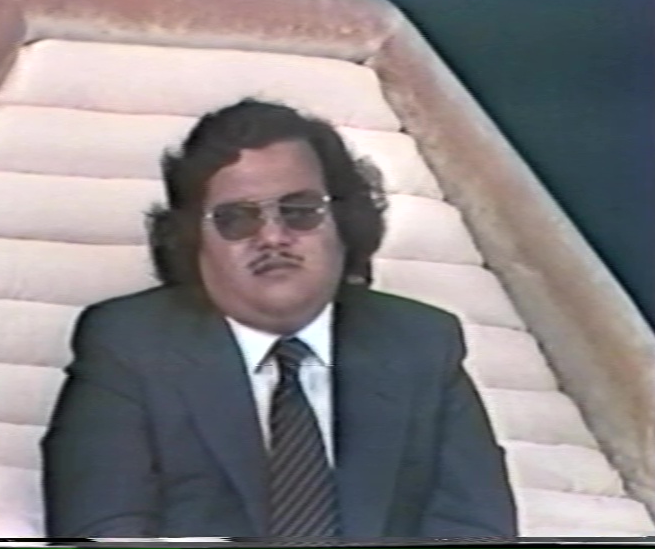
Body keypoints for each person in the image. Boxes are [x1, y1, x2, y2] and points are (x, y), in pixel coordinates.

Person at [41, 99, 518, 540]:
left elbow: (477, 529)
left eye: (300, 211)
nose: (272, 237)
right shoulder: (127, 345)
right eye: (236, 219)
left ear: (345, 223)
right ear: (191, 240)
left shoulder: (422, 344)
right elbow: (104, 529)